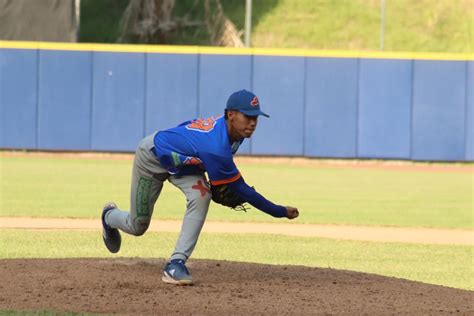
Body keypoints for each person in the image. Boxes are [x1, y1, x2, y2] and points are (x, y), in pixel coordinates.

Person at [101, 89, 299, 285]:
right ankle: (109, 217)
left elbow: (188, 130)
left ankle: (175, 263)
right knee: (137, 227)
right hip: (152, 157)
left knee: (202, 196)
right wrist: (279, 211)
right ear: (230, 115)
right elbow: (241, 188)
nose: (253, 123)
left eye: (256, 117)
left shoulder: (234, 133)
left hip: (184, 166)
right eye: (247, 116)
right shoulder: (216, 146)